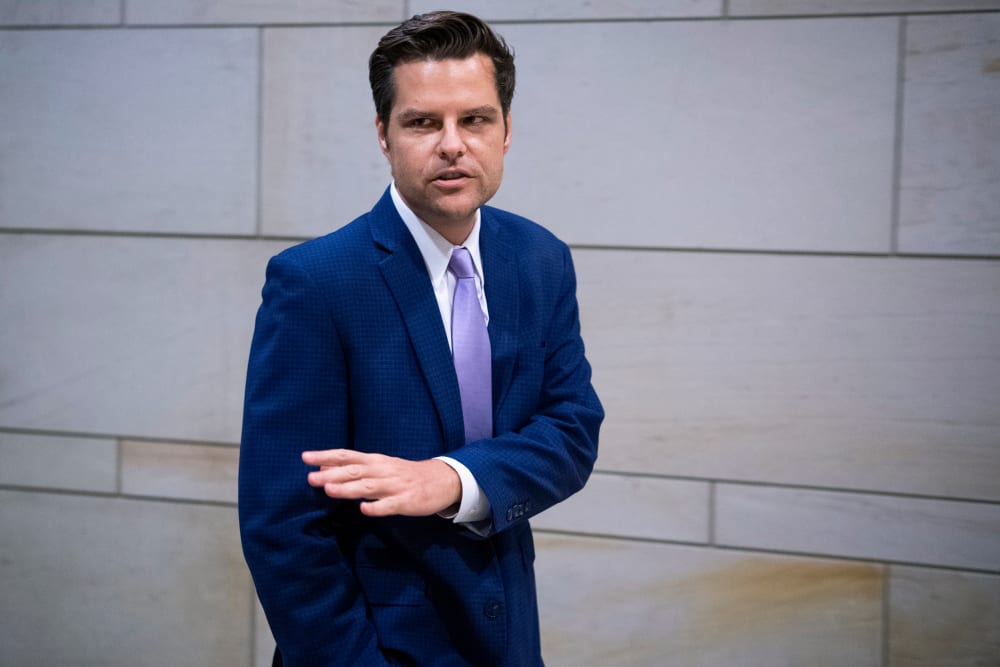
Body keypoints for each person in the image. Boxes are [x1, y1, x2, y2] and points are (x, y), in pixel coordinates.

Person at [238, 11, 603, 666]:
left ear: (506, 130)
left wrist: (453, 479)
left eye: (475, 119)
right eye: (423, 122)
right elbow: (284, 525)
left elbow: (571, 432)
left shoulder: (541, 258)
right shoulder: (316, 282)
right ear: (384, 134)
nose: (452, 144)